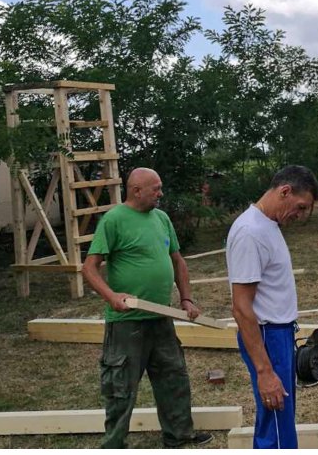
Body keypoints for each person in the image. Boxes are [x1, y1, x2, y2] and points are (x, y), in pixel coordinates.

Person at [82, 168, 212, 449]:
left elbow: (178, 261)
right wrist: (111, 296)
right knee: (120, 388)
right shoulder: (114, 220)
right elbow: (89, 269)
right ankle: (114, 445)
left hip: (162, 318)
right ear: (136, 190)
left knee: (173, 378)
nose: (161, 193)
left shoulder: (161, 219)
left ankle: (179, 435)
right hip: (127, 322)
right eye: (156, 188)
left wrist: (186, 299)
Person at [226, 165, 318, 449]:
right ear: (285, 191)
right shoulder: (249, 232)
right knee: (276, 427)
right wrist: (265, 371)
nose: (301, 215)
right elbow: (242, 308)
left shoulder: (268, 225)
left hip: (279, 335)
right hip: (267, 336)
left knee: (278, 419)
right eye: (301, 207)